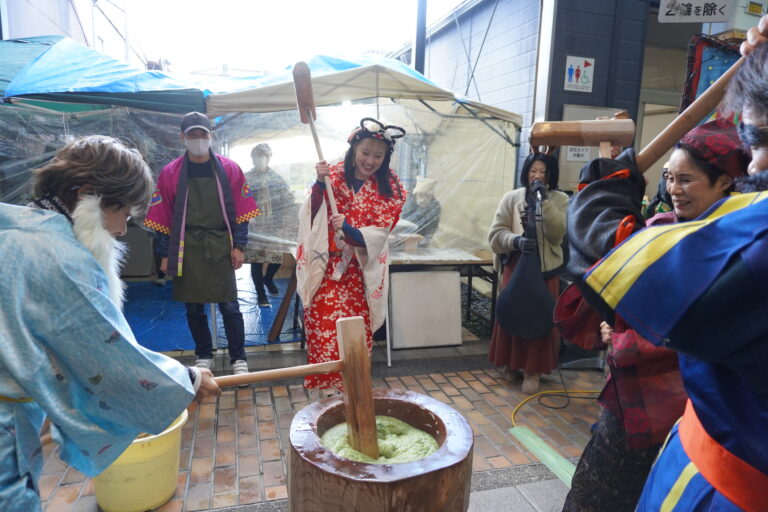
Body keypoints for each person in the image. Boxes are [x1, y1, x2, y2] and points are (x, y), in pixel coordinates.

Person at [0, 135, 220, 511]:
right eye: (123, 215)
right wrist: (187, 379)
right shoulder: (58, 257)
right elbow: (103, 353)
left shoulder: (15, 229)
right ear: (88, 196)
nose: (121, 230)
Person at [562, 118, 748, 512]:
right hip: (628, 402)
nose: (673, 190)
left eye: (687, 180)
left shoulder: (726, 243)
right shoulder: (663, 226)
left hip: (690, 418)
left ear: (725, 183)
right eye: (668, 177)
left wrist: (628, 339)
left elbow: (683, 323)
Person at [144, 112, 259, 375]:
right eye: (192, 135)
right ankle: (204, 354)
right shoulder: (170, 173)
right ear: (182, 137)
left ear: (211, 136)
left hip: (221, 242)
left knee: (229, 305)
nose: (198, 140)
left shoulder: (230, 169)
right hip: (186, 246)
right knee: (193, 305)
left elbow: (242, 213)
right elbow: (163, 218)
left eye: (203, 134)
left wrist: (238, 246)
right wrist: (164, 253)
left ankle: (238, 358)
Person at [296, 118, 406, 391]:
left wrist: (348, 229)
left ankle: (353, 392)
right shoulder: (333, 175)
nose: (370, 160)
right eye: (365, 152)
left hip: (360, 274)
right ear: (354, 149)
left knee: (354, 338)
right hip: (325, 270)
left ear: (386, 157)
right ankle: (327, 397)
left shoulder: (392, 189)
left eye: (378, 155)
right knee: (324, 334)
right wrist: (320, 186)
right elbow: (311, 214)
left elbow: (379, 234)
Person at [487, 153, 568, 394]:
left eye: (543, 172)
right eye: (534, 171)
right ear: (526, 172)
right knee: (513, 314)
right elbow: (495, 234)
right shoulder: (511, 198)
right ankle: (510, 365)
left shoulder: (560, 199)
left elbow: (557, 233)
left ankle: (533, 371)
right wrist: (515, 241)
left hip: (546, 270)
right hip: (516, 266)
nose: (538, 176)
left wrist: (544, 201)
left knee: (540, 318)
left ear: (550, 175)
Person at [243, 143, 294, 307]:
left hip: (274, 226)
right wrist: (247, 217)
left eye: (263, 156)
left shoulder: (277, 179)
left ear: (269, 158)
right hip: (255, 226)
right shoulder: (246, 178)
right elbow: (240, 200)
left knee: (277, 258)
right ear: (252, 158)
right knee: (256, 262)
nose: (259, 159)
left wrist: (284, 222)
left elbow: (287, 200)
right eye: (256, 156)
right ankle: (260, 295)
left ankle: (268, 279)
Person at [401, 177, 441, 246]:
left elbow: (433, 226)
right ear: (415, 195)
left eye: (427, 196)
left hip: (424, 238)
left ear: (431, 197)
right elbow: (405, 221)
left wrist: (426, 239)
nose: (423, 199)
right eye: (420, 195)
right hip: (406, 237)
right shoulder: (410, 204)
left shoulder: (435, 207)